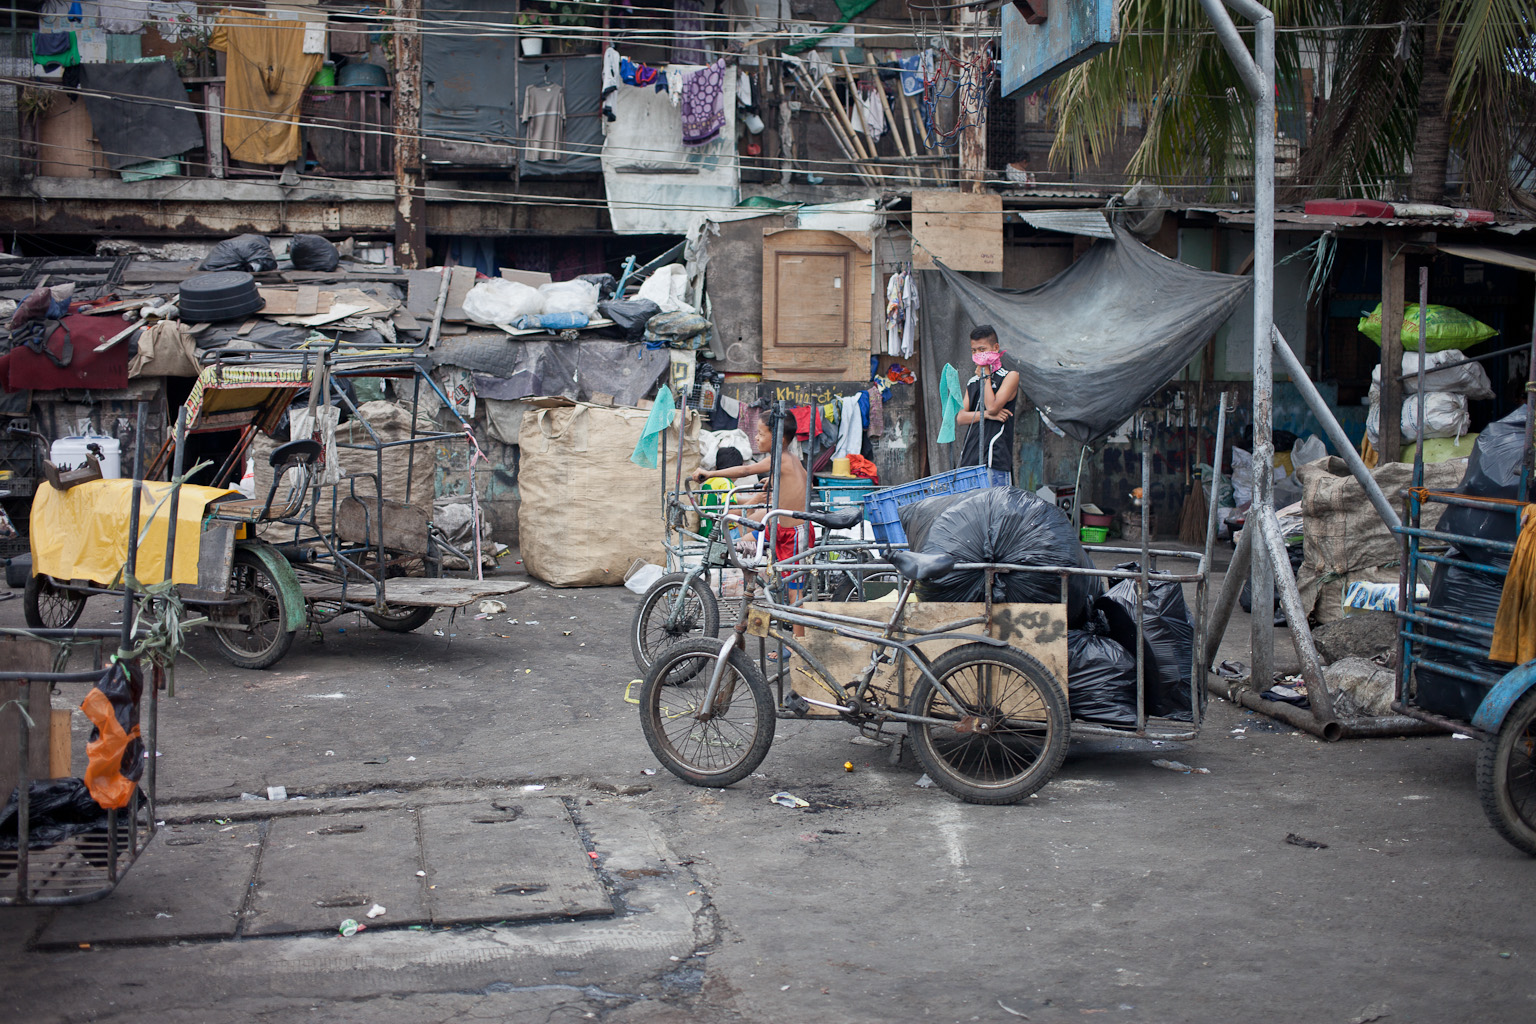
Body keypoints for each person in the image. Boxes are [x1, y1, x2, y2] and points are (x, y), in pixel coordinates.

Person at [956, 324, 1019, 478]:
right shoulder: (972, 382)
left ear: (995, 348)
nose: (978, 354)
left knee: (994, 502)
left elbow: (993, 407)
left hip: (994, 457)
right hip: (970, 456)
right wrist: (987, 416)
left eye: (982, 349)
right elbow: (961, 417)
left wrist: (985, 376)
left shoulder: (1010, 376)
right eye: (974, 350)